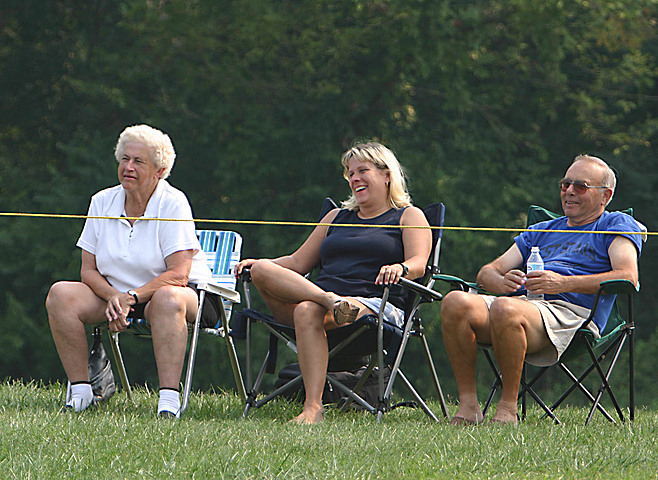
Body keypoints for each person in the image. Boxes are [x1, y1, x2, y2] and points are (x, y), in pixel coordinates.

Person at [235, 142, 432, 424]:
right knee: (264, 270)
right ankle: (329, 300)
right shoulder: (336, 217)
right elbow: (296, 262)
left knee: (306, 310)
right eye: (350, 174)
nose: (354, 179)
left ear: (387, 174)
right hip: (325, 303)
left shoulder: (408, 216)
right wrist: (258, 263)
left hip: (373, 306)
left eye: (363, 171)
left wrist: (400, 267)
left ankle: (312, 408)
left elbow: (419, 263)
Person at [441, 154, 642, 425]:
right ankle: (468, 406)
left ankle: (507, 409)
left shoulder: (614, 224)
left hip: (572, 313)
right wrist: (501, 283)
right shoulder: (541, 230)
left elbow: (628, 277)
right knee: (454, 301)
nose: (569, 191)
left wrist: (561, 283)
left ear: (605, 195)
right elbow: (488, 271)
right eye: (565, 184)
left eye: (580, 186)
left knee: (505, 307)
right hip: (524, 305)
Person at [46, 124, 215, 418]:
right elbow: (88, 270)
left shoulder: (173, 203)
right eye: (124, 159)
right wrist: (115, 296)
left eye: (139, 161)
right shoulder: (101, 201)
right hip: (115, 296)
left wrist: (131, 297)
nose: (129, 167)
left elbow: (178, 274)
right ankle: (82, 392)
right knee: (61, 293)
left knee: (167, 299)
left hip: (180, 297)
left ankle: (169, 402)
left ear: (159, 171)